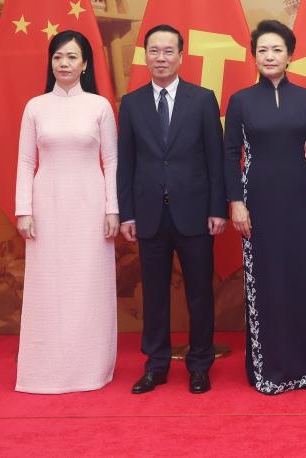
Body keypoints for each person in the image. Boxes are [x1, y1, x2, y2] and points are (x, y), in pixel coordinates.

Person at [117, 24, 226, 395]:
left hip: (195, 212)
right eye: (154, 51)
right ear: (144, 55)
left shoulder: (202, 99)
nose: (160, 58)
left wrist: (218, 208)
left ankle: (199, 365)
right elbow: (126, 164)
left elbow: (215, 159)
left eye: (168, 51)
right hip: (149, 214)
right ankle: (156, 365)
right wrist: (127, 213)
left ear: (181, 56)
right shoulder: (131, 104)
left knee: (199, 293)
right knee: (155, 295)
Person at [225, 19, 306, 394]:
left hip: (298, 199)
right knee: (264, 280)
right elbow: (229, 155)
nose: (269, 56)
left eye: (277, 50)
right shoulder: (240, 101)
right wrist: (236, 203)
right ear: (253, 56)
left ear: (290, 56)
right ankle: (267, 368)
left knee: (299, 279)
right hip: (257, 202)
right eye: (262, 50)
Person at [15, 30, 119, 394]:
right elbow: (27, 161)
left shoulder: (99, 106)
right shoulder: (35, 107)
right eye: (58, 57)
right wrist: (23, 210)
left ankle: (92, 366)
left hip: (90, 204)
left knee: (88, 283)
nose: (64, 63)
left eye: (72, 57)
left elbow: (111, 160)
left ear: (85, 64)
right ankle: (46, 366)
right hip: (47, 204)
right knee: (49, 284)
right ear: (51, 62)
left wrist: (113, 209)